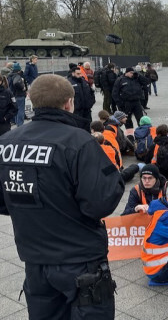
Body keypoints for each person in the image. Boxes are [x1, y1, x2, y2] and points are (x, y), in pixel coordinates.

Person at [0, 74, 124, 319]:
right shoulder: (78, 141)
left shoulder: (6, 143)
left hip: (35, 258)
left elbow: (5, 201)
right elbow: (100, 203)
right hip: (80, 259)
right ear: (69, 102)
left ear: (32, 101)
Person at [7, 62, 26, 126]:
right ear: (18, 70)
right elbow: (16, 83)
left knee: (16, 109)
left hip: (12, 95)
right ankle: (20, 124)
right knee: (21, 110)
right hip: (19, 95)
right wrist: (23, 87)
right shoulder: (17, 75)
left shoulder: (9, 75)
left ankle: (15, 122)